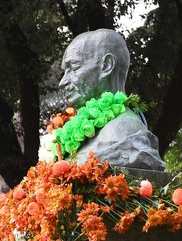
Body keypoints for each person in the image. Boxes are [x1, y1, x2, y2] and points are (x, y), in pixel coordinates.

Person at [58, 28, 165, 170]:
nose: (62, 82)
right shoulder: (82, 130)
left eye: (74, 67)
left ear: (106, 66)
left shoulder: (126, 131)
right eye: (65, 71)